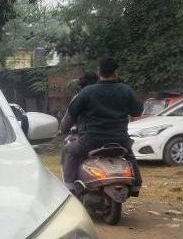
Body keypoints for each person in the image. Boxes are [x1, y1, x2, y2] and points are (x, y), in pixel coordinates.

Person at [61, 57, 143, 193]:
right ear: (116, 72)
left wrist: (63, 129)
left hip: (92, 140)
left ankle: (69, 187)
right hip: (120, 139)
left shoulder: (87, 92)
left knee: (70, 151)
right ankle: (136, 185)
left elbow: (71, 113)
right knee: (129, 155)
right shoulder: (126, 90)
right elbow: (137, 111)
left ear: (99, 71)